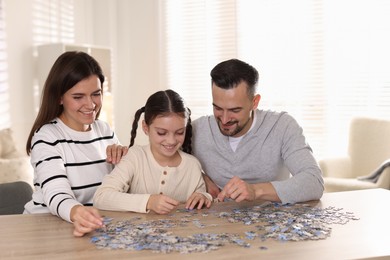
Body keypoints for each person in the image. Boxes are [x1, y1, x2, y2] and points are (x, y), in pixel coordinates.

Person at [24, 51, 128, 237]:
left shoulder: (104, 130)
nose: (90, 104)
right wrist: (77, 212)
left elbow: (121, 187)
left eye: (96, 94)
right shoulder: (47, 136)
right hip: (45, 229)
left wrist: (125, 160)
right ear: (59, 97)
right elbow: (56, 194)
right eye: (78, 97)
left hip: (90, 227)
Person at [192, 59, 324, 204]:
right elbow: (167, 161)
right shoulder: (197, 130)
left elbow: (314, 182)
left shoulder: (282, 126)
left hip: (274, 222)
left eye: (234, 110)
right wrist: (201, 177)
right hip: (218, 221)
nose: (224, 120)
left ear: (255, 102)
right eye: (217, 108)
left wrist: (256, 191)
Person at [93, 89, 212, 215]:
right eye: (161, 133)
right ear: (145, 127)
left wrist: (204, 197)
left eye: (179, 132)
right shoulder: (135, 157)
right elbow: (101, 197)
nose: (171, 141)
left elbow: (201, 196)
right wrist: (148, 201)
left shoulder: (192, 165)